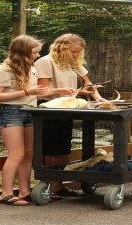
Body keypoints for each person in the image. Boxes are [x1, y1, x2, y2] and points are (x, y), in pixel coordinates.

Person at [34, 33, 107, 199]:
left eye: (78, 52)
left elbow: (88, 84)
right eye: (73, 51)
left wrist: (98, 98)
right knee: (51, 148)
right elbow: (43, 90)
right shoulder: (45, 62)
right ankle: (48, 185)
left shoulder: (73, 63)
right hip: (50, 108)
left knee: (63, 147)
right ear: (62, 47)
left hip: (67, 108)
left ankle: (59, 185)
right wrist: (61, 91)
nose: (75, 55)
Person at [0, 35, 48, 206]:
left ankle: (24, 191)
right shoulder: (4, 69)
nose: (37, 55)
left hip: (29, 111)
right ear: (23, 52)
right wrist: (26, 93)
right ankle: (6, 193)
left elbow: (35, 92)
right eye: (35, 52)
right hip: (9, 112)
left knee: (29, 154)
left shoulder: (32, 68)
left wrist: (61, 91)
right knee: (17, 154)